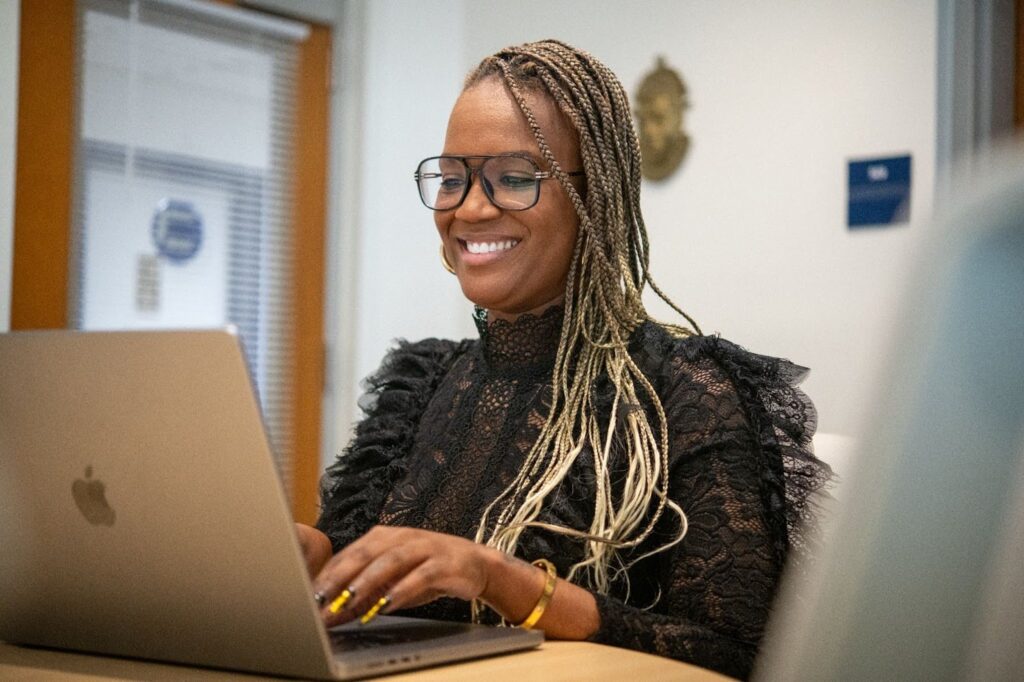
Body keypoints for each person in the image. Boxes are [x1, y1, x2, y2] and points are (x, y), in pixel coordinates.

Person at [295, 39, 830, 680]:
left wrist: (502, 580)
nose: (469, 207)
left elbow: (738, 653)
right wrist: (310, 558)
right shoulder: (419, 387)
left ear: (594, 196)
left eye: (515, 178)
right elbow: (358, 584)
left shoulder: (686, 392)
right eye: (453, 177)